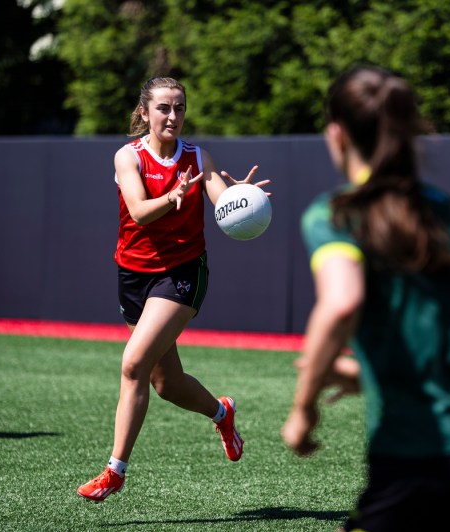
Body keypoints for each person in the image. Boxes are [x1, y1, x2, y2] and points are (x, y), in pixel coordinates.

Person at [281, 66, 450, 532]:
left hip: (418, 462)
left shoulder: (335, 213)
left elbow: (341, 302)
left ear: (337, 136)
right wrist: (368, 373)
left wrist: (304, 408)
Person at [77, 76, 271, 502]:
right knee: (168, 384)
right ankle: (222, 413)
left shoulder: (197, 156)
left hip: (182, 273)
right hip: (133, 275)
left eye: (179, 107)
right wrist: (175, 195)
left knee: (133, 365)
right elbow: (141, 211)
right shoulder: (129, 156)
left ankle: (114, 471)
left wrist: (241, 199)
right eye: (164, 108)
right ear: (145, 113)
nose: (173, 116)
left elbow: (221, 198)